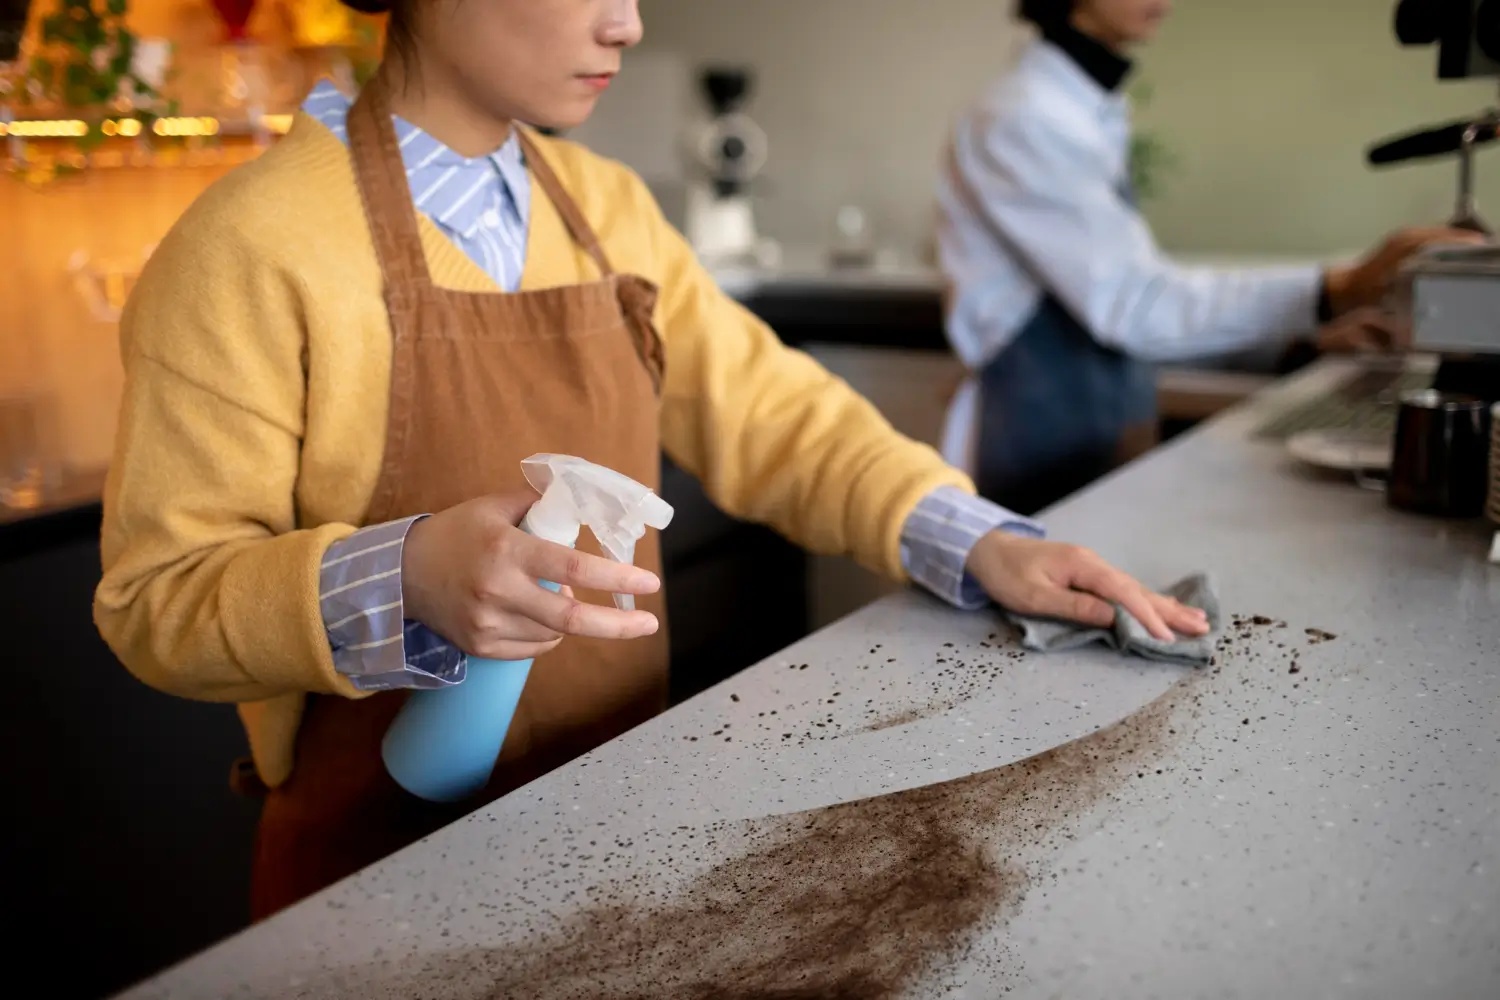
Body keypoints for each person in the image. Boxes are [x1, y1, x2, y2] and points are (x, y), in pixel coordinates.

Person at [94, 0, 1207, 920]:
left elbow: (777, 416)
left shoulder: (609, 210)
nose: (627, 23)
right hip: (372, 887)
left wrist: (979, 539)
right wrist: (406, 576)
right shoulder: (246, 246)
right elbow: (157, 600)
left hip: (610, 843)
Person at [936, 0, 1482, 515]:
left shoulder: (1088, 104)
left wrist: (1301, 339)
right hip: (1034, 430)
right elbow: (1135, 306)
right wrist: (1333, 287)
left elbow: (1135, 305)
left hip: (1094, 417)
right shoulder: (1021, 117)